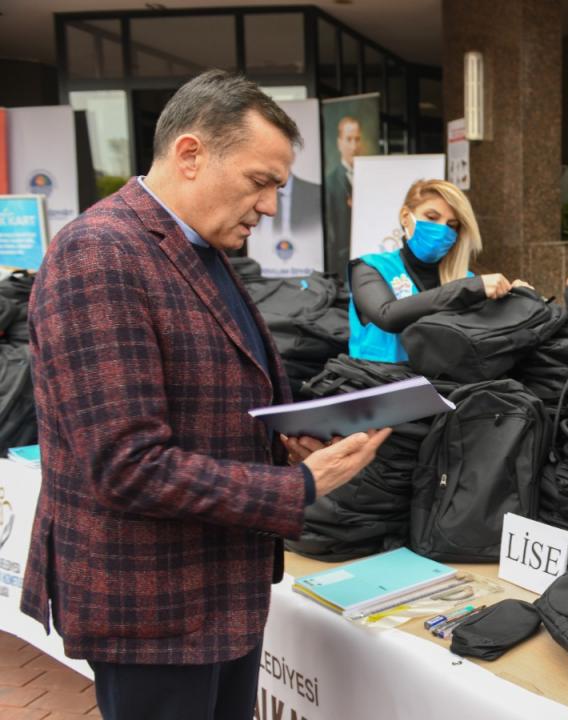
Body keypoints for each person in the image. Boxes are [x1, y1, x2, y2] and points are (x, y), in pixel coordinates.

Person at [21, 70, 391, 720]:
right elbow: (127, 465)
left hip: (217, 592)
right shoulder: (99, 255)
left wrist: (280, 439)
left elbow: (208, 396)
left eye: (278, 183)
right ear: (190, 154)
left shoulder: (199, 249)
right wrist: (298, 486)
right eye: (260, 181)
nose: (273, 204)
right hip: (154, 606)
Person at [348, 178, 524, 363]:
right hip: (377, 384)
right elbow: (388, 316)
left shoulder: (465, 279)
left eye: (451, 225)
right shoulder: (369, 268)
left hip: (442, 387)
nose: (441, 229)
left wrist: (514, 298)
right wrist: (467, 289)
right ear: (405, 217)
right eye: (432, 218)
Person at [325, 115, 362, 271]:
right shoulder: (330, 182)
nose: (353, 146)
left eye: (357, 139)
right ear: (339, 142)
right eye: (348, 139)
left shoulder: (370, 177)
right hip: (342, 261)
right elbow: (330, 230)